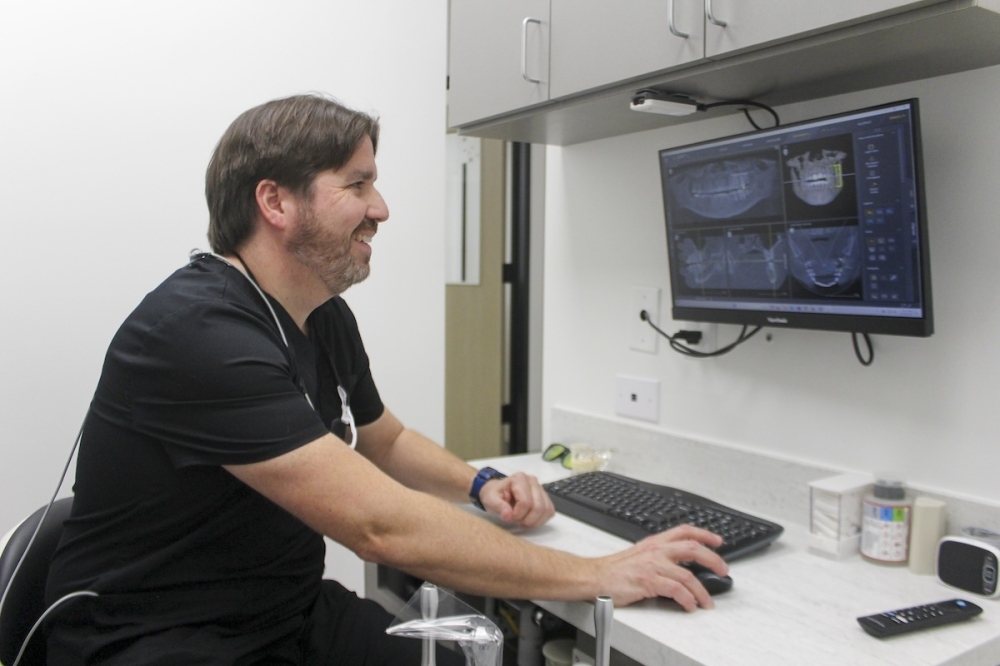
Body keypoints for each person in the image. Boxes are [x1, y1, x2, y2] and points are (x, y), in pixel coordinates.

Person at [44, 93, 728, 666]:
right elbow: (381, 527)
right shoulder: (193, 333)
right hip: (156, 641)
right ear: (275, 203)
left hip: (279, 616)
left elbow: (384, 440)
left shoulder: (321, 315)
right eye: (357, 184)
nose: (382, 208)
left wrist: (481, 484)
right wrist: (597, 574)